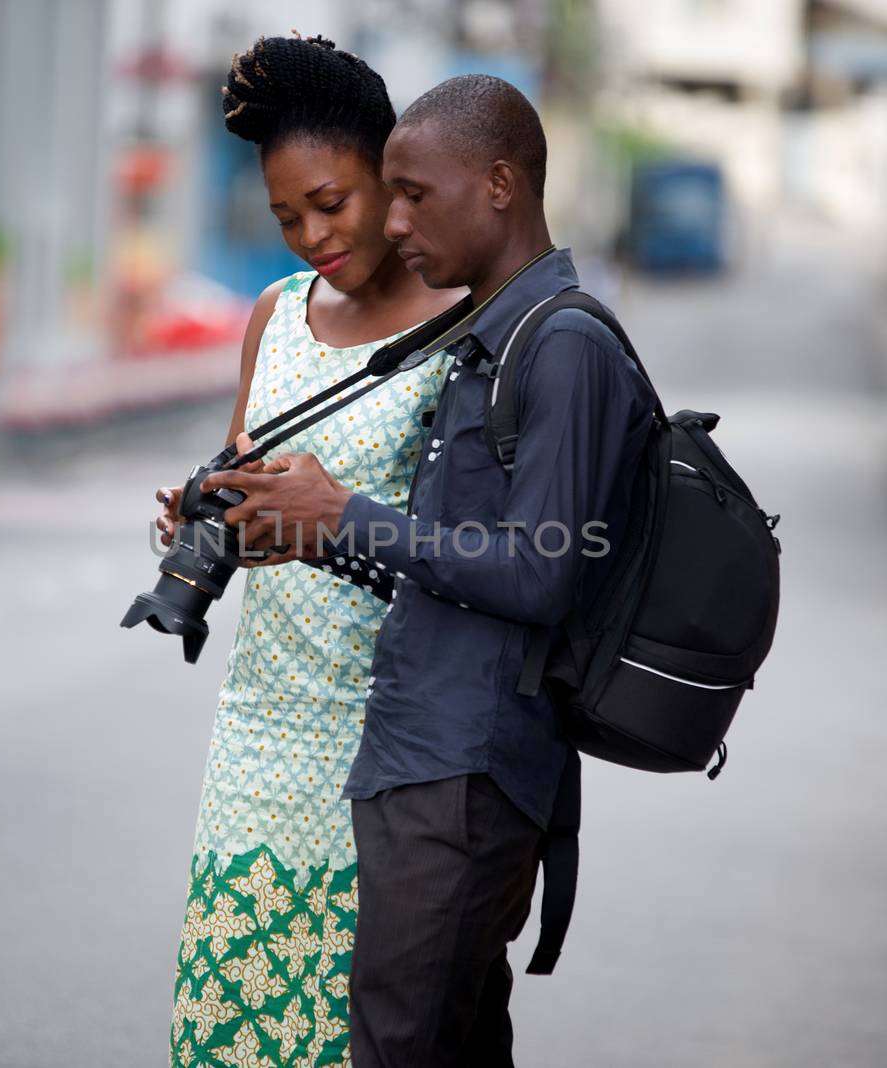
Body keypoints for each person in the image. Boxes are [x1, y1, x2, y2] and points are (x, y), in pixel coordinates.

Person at [201, 75, 653, 1064]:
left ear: (497, 184)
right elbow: (445, 560)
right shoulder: (490, 340)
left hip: (466, 767)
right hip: (419, 755)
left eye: (413, 194)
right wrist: (299, 529)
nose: (393, 221)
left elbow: (539, 574)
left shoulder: (562, 342)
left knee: (394, 1047)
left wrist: (344, 516)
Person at [158, 34, 463, 1068]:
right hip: (258, 720)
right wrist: (208, 517)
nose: (311, 237)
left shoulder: (460, 326)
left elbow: (465, 549)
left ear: (391, 172)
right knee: (234, 1024)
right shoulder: (274, 316)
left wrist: (331, 521)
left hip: (385, 737)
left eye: (329, 202)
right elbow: (256, 491)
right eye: (288, 217)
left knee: (352, 1029)